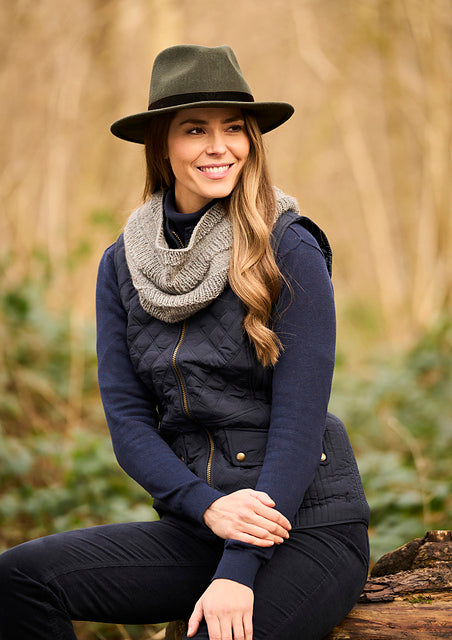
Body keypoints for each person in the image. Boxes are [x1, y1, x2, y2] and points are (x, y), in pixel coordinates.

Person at [0, 45, 370, 640]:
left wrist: (238, 569)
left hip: (303, 524)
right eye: (195, 129)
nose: (219, 146)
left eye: (234, 128)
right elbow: (129, 423)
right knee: (18, 578)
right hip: (202, 522)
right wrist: (205, 506)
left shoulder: (288, 245)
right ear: (162, 144)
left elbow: (299, 424)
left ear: (251, 141)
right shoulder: (121, 264)